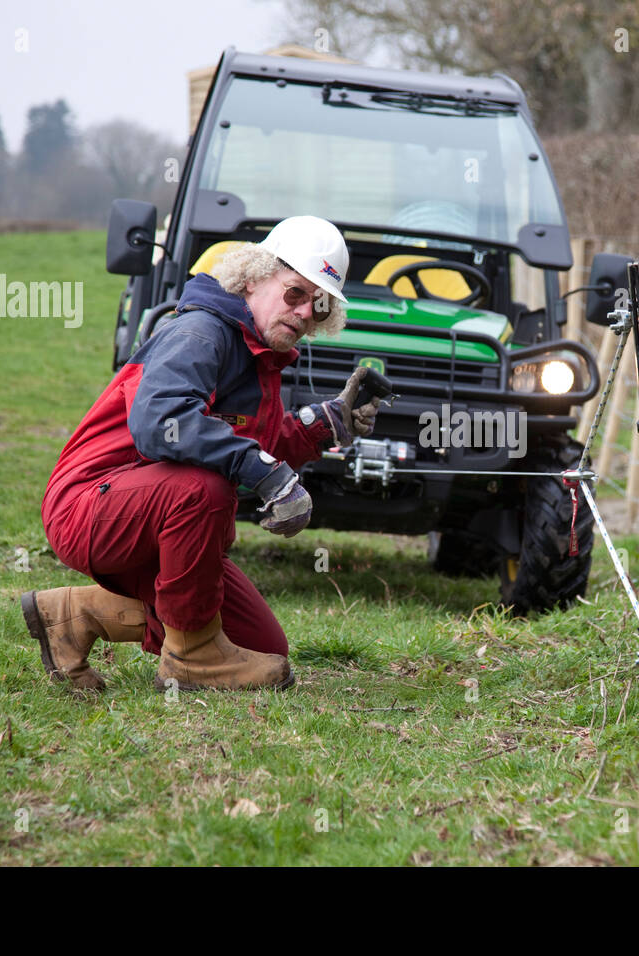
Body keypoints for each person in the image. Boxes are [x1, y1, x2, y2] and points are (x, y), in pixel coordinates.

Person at [21, 216, 378, 693]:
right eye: (295, 293)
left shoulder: (259, 353)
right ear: (253, 277)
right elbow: (161, 424)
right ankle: (190, 656)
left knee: (263, 645)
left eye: (319, 304)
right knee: (202, 487)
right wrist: (264, 472)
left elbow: (255, 446)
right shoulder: (201, 333)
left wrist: (324, 423)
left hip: (152, 514)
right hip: (88, 509)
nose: (304, 312)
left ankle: (73, 616)